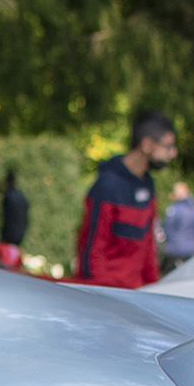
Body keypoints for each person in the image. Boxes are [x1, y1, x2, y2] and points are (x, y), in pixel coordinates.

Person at [74, 111, 176, 288]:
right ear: (147, 145)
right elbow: (93, 250)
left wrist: (154, 287)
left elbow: (148, 245)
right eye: (168, 146)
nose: (173, 153)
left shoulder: (149, 185)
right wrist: (100, 297)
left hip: (134, 294)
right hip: (107, 295)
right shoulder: (106, 185)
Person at [158, 181, 194, 275]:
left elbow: (167, 228)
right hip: (190, 250)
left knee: (167, 278)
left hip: (174, 249)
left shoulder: (174, 209)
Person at [0, 169, 29, 271]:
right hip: (18, 239)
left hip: (8, 240)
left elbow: (6, 218)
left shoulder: (8, 197)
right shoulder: (22, 198)